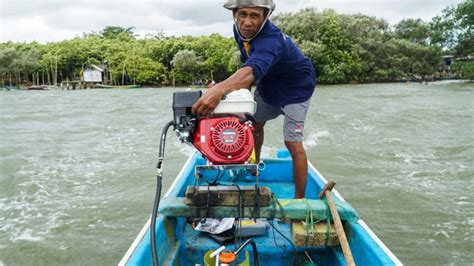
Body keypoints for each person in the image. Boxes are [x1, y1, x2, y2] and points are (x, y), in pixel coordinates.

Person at [191, 0, 316, 199]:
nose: (247, 22)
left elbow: (251, 71)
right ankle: (253, 167)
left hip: (296, 89)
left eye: (254, 16)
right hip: (268, 83)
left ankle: (299, 199)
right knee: (254, 124)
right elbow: (247, 64)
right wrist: (243, 103)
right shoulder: (240, 31)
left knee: (292, 143)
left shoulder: (272, 40)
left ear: (265, 16)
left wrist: (218, 91)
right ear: (234, 14)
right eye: (243, 14)